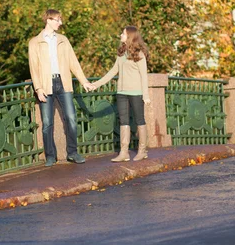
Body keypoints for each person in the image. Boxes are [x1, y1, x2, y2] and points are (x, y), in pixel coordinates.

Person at [28, 9, 94, 167]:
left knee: (71, 118)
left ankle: (73, 153)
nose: (60, 23)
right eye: (57, 20)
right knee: (47, 123)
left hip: (63, 82)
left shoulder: (63, 40)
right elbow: (33, 67)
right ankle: (50, 156)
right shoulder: (35, 42)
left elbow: (73, 62)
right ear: (48, 20)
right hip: (45, 85)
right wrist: (38, 88)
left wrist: (84, 81)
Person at [92, 26, 151, 162]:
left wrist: (146, 96)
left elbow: (144, 76)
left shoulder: (139, 54)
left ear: (130, 36)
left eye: (123, 34)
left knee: (139, 120)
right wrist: (96, 84)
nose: (120, 35)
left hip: (136, 93)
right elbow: (113, 72)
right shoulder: (121, 53)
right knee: (123, 121)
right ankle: (124, 152)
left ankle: (142, 151)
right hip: (121, 92)